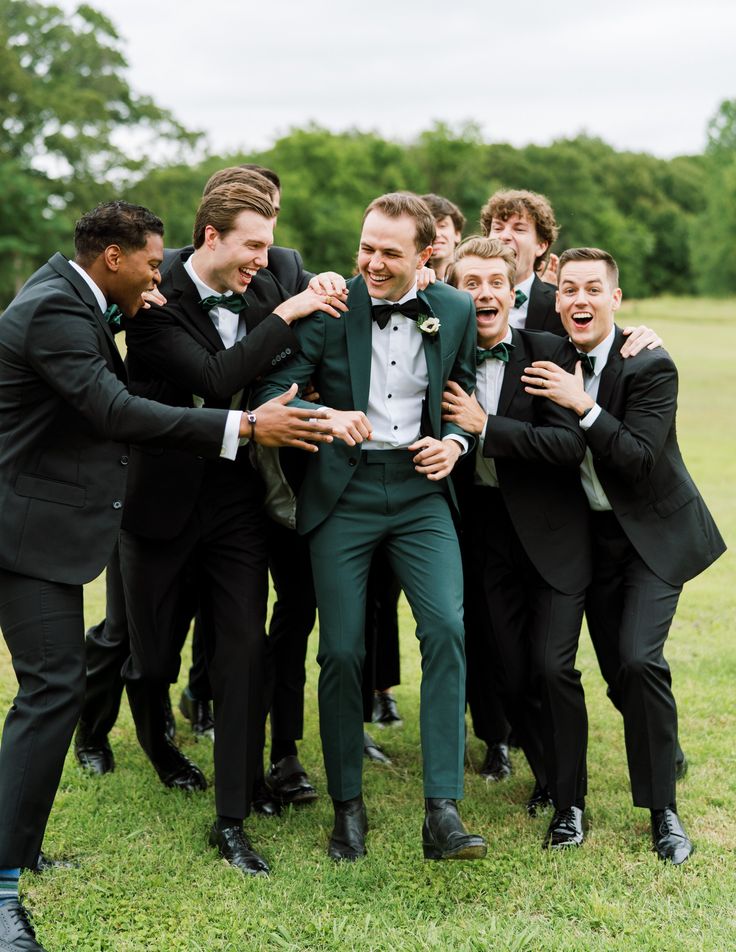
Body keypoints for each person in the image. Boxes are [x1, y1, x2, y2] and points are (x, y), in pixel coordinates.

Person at [0, 201, 332, 950]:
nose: (161, 278)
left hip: (66, 522)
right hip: (28, 526)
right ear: (112, 258)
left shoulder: (77, 298)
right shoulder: (55, 307)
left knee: (59, 685)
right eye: (152, 264)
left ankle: (24, 854)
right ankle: (3, 888)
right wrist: (246, 426)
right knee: (61, 685)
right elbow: (113, 407)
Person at [117, 183, 346, 877]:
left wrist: (323, 285)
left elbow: (328, 293)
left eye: (270, 245)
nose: (264, 258)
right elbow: (216, 380)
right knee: (152, 658)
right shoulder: (153, 304)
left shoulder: (271, 276)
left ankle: (234, 813)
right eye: (252, 244)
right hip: (160, 497)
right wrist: (289, 310)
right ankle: (157, 743)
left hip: (238, 496)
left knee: (244, 649)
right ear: (211, 238)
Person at [255, 192, 487, 862]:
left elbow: (461, 400)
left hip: (421, 494)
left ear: (427, 255)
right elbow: (274, 397)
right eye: (368, 247)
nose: (374, 262)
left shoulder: (456, 309)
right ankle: (346, 809)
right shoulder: (330, 307)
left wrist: (455, 446)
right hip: (344, 493)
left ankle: (442, 812)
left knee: (446, 626)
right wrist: (329, 420)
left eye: (391, 251)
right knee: (343, 650)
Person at [522, 247, 725, 862]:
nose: (579, 300)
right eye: (568, 290)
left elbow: (637, 457)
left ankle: (663, 810)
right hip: (580, 538)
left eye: (593, 289)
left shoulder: (650, 363)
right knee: (567, 667)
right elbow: (485, 319)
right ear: (555, 301)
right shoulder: (545, 354)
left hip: (649, 538)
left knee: (638, 661)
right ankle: (568, 804)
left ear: (616, 298)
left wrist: (582, 403)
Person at [442, 236, 592, 841]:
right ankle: (549, 775)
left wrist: (488, 427)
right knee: (509, 671)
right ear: (454, 293)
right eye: (470, 283)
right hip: (478, 530)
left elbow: (569, 444)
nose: (484, 293)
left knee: (552, 667)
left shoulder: (548, 350)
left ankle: (570, 805)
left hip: (552, 534)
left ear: (513, 291)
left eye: (495, 283)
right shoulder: (437, 356)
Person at [480, 189, 562, 334]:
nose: (504, 236)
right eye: (498, 228)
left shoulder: (559, 305)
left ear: (541, 246)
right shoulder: (463, 297)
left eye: (519, 229)